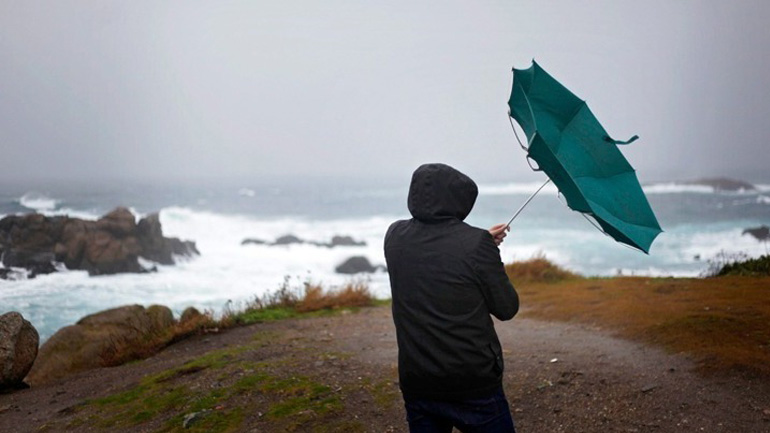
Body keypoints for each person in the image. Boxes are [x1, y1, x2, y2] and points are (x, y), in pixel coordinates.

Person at [384, 163, 520, 433]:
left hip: (417, 377)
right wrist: (485, 250)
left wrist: (481, 243)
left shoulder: (395, 236)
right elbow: (507, 308)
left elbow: (435, 252)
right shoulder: (475, 245)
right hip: (472, 380)